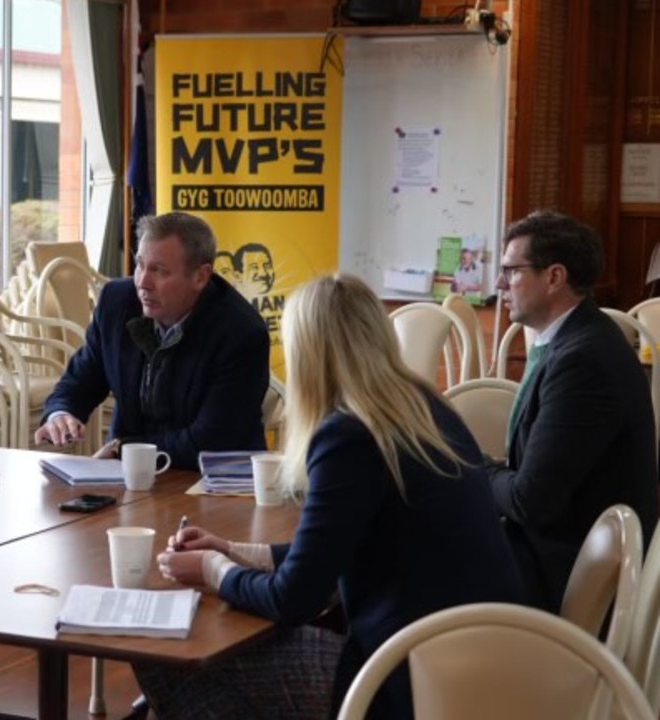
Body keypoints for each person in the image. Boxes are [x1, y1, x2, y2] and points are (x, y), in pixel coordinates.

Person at [137, 274, 523, 719]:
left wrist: (211, 568)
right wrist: (233, 551)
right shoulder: (418, 403)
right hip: (485, 655)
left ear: (309, 353)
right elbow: (333, 551)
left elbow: (296, 599)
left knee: (167, 657)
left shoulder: (348, 434)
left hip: (402, 677)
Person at [490, 211, 658, 611]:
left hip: (570, 577)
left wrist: (471, 467)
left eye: (512, 271)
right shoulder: (576, 340)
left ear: (554, 278)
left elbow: (531, 501)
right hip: (561, 551)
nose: (500, 283)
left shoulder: (584, 360)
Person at [34, 212, 269, 469]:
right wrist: (61, 413)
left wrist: (121, 449)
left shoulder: (241, 333)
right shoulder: (117, 303)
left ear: (201, 277)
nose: (143, 283)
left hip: (213, 481)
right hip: (130, 477)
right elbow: (81, 379)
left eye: (159, 271)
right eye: (139, 265)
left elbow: (210, 441)